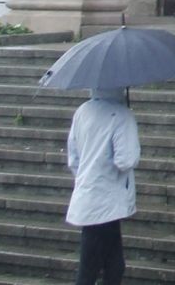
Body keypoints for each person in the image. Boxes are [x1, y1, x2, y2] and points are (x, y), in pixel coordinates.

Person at [67, 87, 140, 285]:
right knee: (93, 269)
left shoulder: (82, 112)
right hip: (108, 200)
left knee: (114, 265)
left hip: (88, 195)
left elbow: (73, 158)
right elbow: (126, 160)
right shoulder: (122, 115)